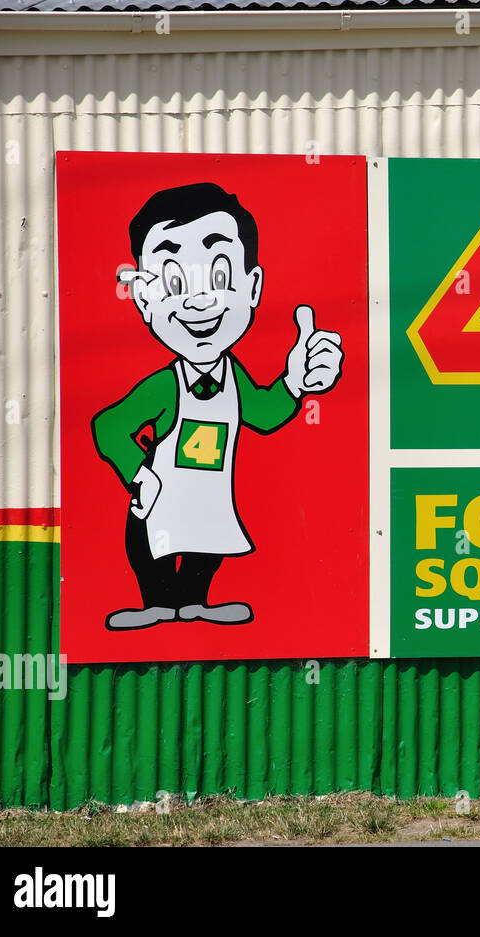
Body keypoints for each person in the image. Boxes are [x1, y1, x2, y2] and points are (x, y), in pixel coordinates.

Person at [92, 182, 344, 631]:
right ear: (144, 299)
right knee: (151, 540)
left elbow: (264, 415)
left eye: (220, 276)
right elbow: (108, 426)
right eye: (173, 281)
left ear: (252, 288)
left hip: (209, 492)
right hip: (161, 493)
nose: (199, 300)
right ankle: (155, 601)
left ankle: (194, 601)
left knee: (207, 540)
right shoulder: (164, 387)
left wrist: (295, 384)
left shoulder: (234, 377)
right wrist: (139, 475)